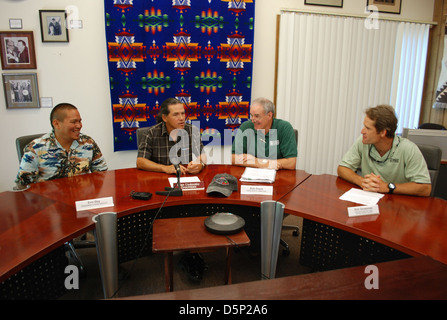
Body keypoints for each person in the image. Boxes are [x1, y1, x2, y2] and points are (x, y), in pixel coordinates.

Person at [136, 97, 207, 282]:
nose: (182, 117)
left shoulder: (192, 130)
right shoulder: (151, 133)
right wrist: (164, 168)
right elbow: (140, 161)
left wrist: (199, 164)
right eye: (176, 114)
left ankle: (192, 251)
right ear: (165, 117)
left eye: (183, 113)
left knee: (198, 209)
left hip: (184, 182)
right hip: (160, 186)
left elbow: (203, 155)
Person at [337, 104, 431, 197]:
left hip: (398, 203)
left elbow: (425, 188)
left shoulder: (409, 149)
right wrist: (362, 181)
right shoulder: (363, 142)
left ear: (383, 132)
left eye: (368, 128)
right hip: (369, 200)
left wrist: (388, 187)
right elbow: (342, 169)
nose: (362, 131)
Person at [15, 103, 108, 188]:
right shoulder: (35, 149)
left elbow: (102, 174)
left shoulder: (88, 143)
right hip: (49, 203)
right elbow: (23, 187)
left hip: (82, 200)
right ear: (56, 124)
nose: (79, 126)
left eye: (80, 121)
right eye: (74, 122)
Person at [232, 97, 297, 170]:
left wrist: (256, 161)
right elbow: (234, 158)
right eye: (251, 115)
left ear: (269, 115)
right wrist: (262, 164)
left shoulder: (285, 128)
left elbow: (291, 163)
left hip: (279, 176)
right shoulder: (246, 127)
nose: (253, 120)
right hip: (250, 176)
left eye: (257, 116)